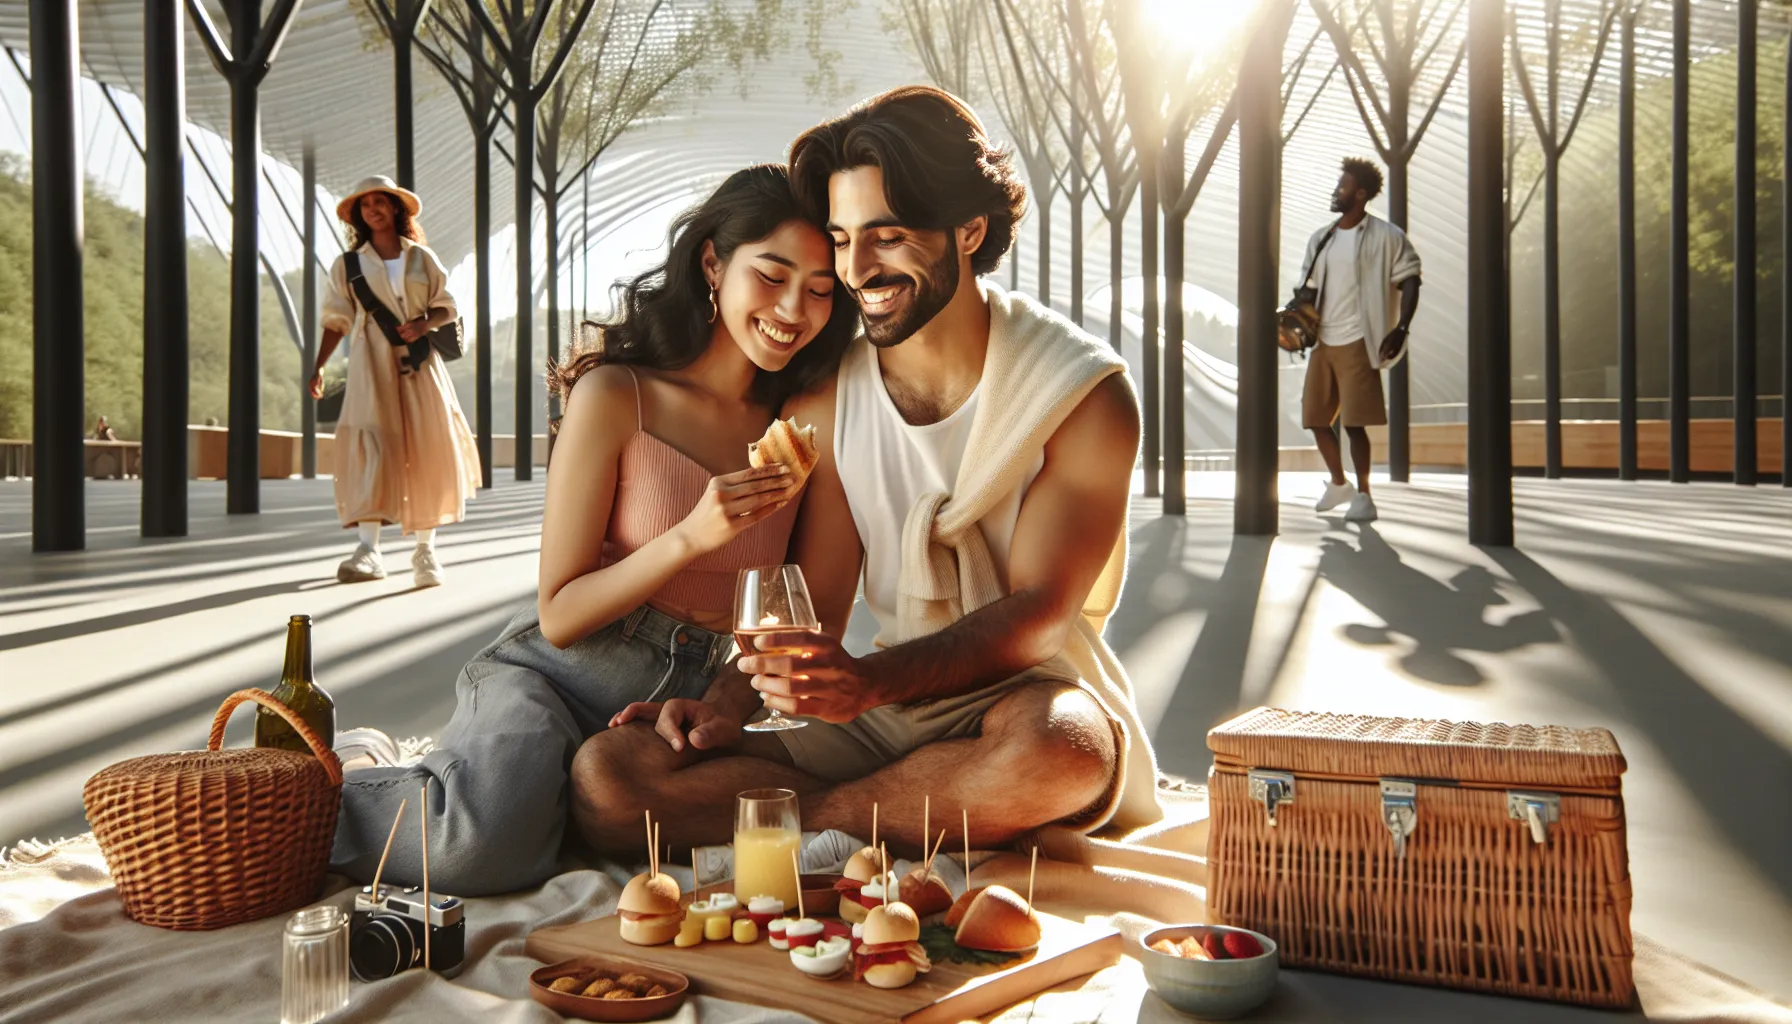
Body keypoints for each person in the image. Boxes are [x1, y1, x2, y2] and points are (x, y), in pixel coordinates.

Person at [571, 86, 1165, 862]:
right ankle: (909, 806)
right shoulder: (826, 399)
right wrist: (724, 706)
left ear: (969, 229)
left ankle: (805, 822)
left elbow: (1042, 613)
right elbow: (813, 606)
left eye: (887, 236)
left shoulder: (1081, 395)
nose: (856, 270)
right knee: (611, 777)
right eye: (843, 239)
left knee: (1067, 753)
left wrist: (870, 683)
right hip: (879, 709)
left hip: (1020, 692)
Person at [327, 165, 857, 896]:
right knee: (479, 852)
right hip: (557, 675)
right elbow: (561, 613)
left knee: (800, 812)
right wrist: (692, 534)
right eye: (771, 276)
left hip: (693, 701)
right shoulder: (618, 394)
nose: (795, 308)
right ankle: (353, 775)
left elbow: (815, 616)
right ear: (713, 261)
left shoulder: (806, 423)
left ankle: (496, 789)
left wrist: (730, 700)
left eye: (822, 289)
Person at [308, 176, 480, 588]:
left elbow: (448, 307)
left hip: (422, 364)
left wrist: (424, 324)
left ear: (395, 208)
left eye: (380, 202)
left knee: (430, 444)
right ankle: (369, 549)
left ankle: (426, 552)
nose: (373, 210)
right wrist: (318, 366)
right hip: (372, 364)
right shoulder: (347, 266)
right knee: (372, 443)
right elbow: (336, 320)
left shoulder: (421, 258)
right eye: (365, 205)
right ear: (358, 216)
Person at [1300, 156, 1423, 523]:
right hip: (1324, 341)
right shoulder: (1321, 238)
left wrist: (1400, 328)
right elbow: (1307, 289)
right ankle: (1340, 484)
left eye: (1344, 186)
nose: (1337, 191)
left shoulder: (1387, 237)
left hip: (1359, 338)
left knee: (1354, 424)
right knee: (1316, 419)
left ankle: (1365, 495)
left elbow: (1411, 280)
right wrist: (1296, 324)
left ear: (1361, 193)